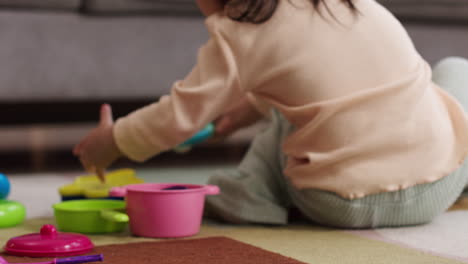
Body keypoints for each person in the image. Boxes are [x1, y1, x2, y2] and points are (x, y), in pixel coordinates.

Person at [73, 0, 468, 228]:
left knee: (293, 115)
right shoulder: (351, 6)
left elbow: (180, 115)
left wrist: (112, 141)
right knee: (455, 71)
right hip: (431, 192)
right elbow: (318, 77)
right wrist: (248, 110)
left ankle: (251, 195)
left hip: (333, 202)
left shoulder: (238, 34)